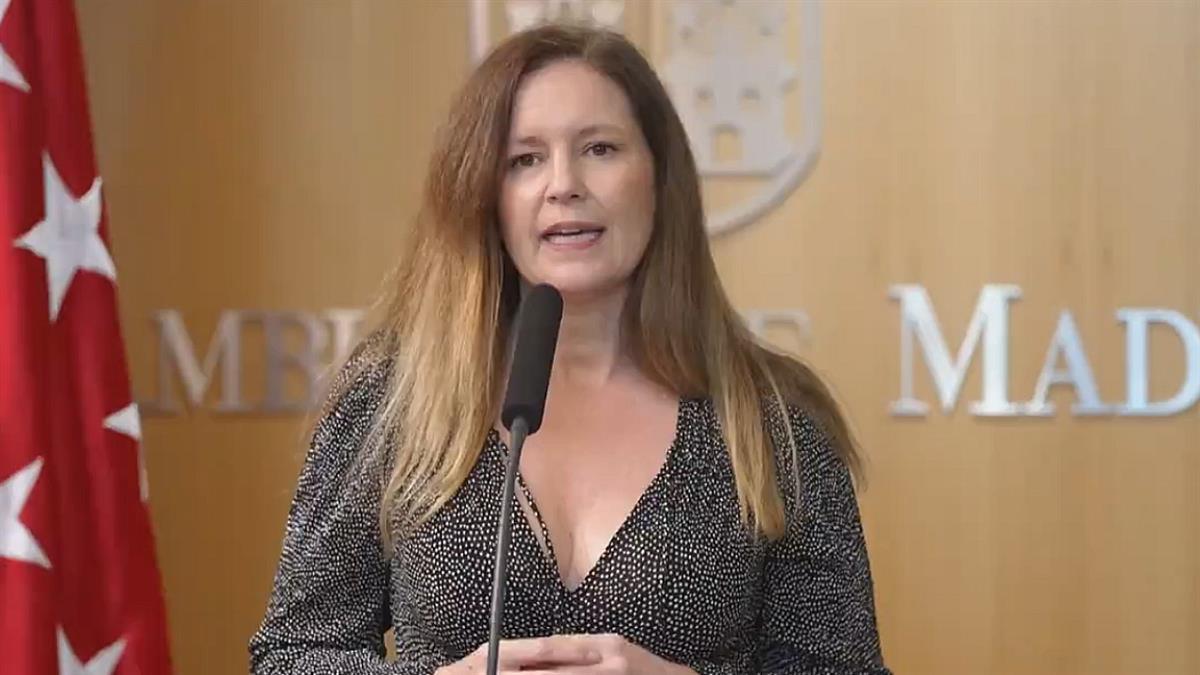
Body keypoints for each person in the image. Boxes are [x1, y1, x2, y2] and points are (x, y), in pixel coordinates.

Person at [249, 22, 890, 675]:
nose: (564, 184)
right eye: (524, 159)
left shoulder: (771, 419)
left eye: (600, 149)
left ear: (659, 177)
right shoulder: (392, 397)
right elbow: (290, 655)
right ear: (485, 194)